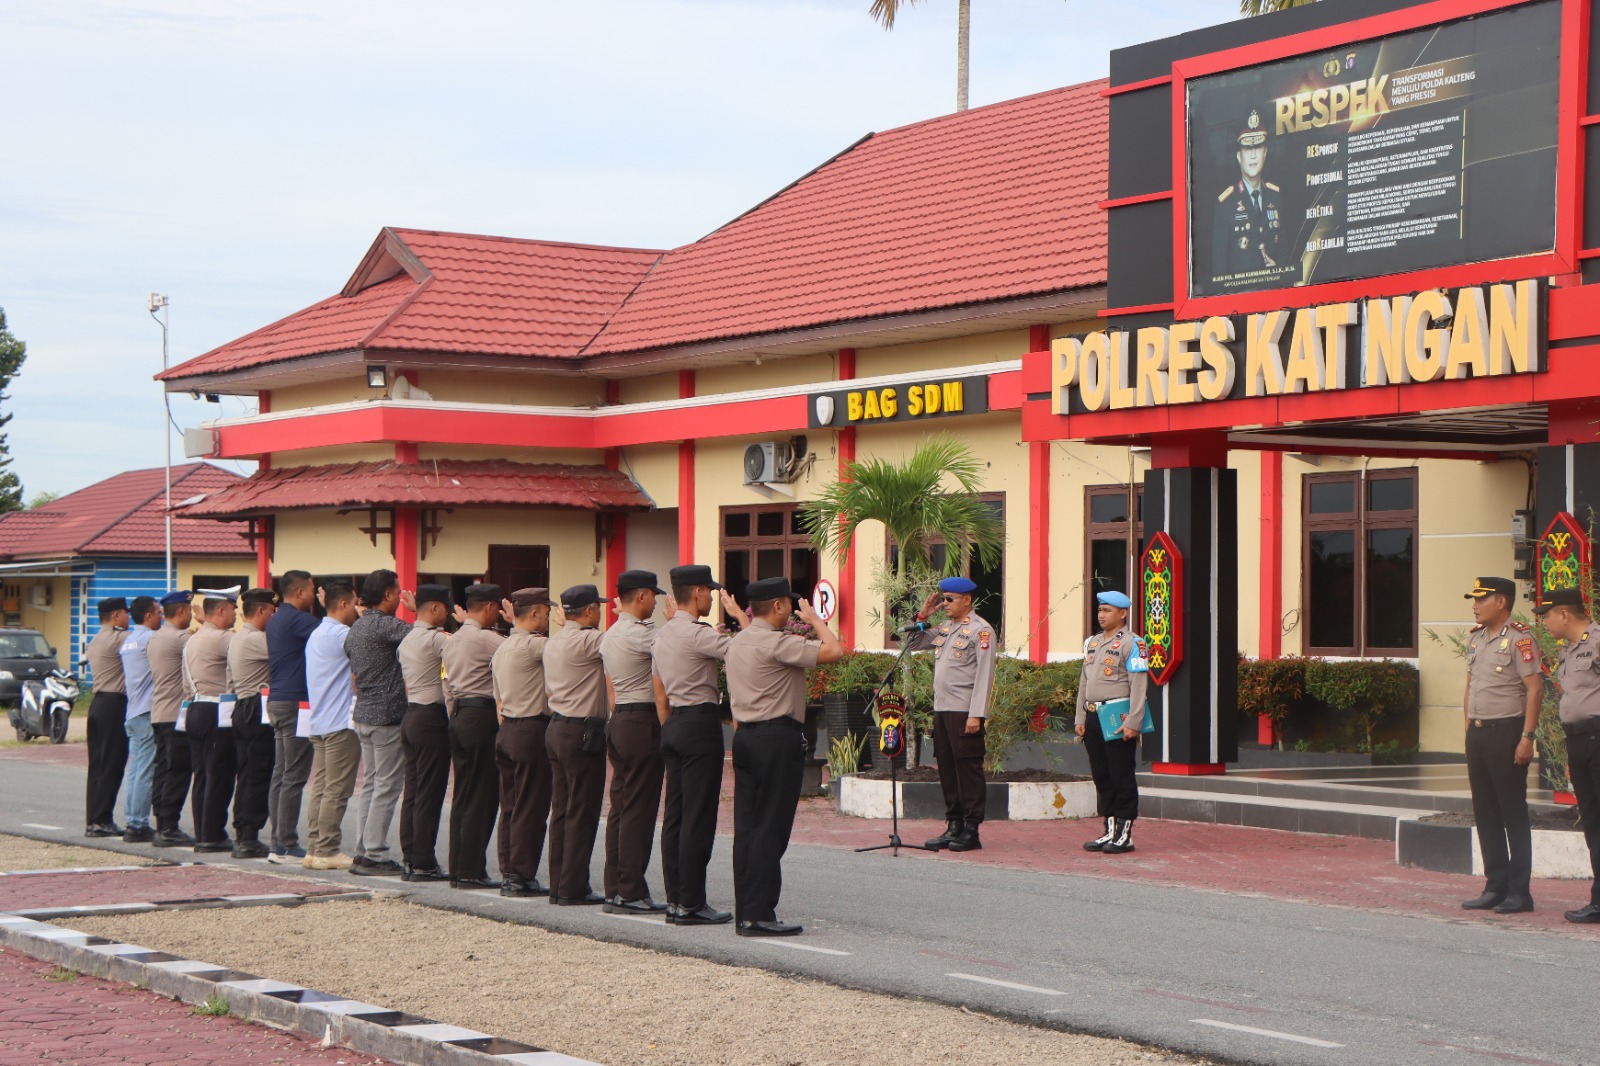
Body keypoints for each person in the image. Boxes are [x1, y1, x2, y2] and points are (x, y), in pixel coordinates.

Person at [725, 576, 844, 936]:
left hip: (744, 736)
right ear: (776, 606)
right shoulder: (779, 643)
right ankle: (758, 914)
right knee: (770, 827)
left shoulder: (738, 641)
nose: (794, 609)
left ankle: (747, 909)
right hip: (775, 738)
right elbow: (834, 652)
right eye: (789, 603)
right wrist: (817, 623)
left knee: (747, 826)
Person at [654, 564, 740, 926]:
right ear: (699, 592)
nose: (712, 598)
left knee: (674, 815)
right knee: (698, 817)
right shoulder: (697, 634)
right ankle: (691, 902)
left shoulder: (661, 635)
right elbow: (745, 650)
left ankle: (675, 898)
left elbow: (657, 687)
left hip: (673, 722)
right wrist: (740, 618)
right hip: (698, 723)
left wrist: (670, 726)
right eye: (710, 591)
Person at [1461, 576, 1542, 915]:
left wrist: (1527, 737)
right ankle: (1494, 885)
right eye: (1474, 600)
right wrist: (1467, 727)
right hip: (1478, 733)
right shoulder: (1477, 639)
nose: (1475, 606)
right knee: (1485, 811)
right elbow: (1470, 684)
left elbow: (1535, 689)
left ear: (1502, 602)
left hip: (1507, 732)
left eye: (1482, 599)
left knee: (1512, 812)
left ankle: (1519, 891)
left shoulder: (1521, 639)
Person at [909, 576, 998, 853]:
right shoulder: (946, 627)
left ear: (966, 600)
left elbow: (984, 676)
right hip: (943, 709)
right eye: (943, 599)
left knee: (968, 770)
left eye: (949, 599)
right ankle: (954, 825)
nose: (944, 604)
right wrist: (923, 615)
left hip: (964, 712)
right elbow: (913, 644)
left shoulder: (981, 631)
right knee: (947, 769)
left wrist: (977, 715)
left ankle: (971, 829)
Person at [600, 569, 669, 914]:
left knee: (621, 807)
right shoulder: (645, 636)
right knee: (639, 811)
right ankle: (631, 890)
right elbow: (673, 649)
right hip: (642, 720)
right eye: (653, 595)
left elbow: (611, 687)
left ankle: (615, 887)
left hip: (620, 718)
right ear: (641, 596)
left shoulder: (610, 634)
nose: (656, 602)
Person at [1534, 587, 1600, 923]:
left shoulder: (1598, 641)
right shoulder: (1570, 650)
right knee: (1592, 822)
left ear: (1563, 614)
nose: (1543, 622)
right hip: (1578, 742)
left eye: (1546, 615)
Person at [345, 569, 413, 877]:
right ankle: (374, 851)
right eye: (397, 591)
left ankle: (363, 849)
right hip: (386, 715)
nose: (400, 597)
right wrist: (417, 612)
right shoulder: (387, 626)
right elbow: (425, 639)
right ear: (387, 594)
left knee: (371, 784)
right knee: (387, 786)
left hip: (364, 713)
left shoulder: (357, 627)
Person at [544, 584, 609, 906]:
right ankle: (573, 887)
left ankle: (559, 884)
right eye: (598, 607)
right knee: (582, 811)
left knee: (562, 810)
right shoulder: (589, 639)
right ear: (588, 611)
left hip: (557, 727)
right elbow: (625, 642)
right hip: (581, 731)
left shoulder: (554, 641)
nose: (601, 612)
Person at [1074, 590, 1151, 855]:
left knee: (1121, 775)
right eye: (1100, 610)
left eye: (1107, 610)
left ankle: (1124, 834)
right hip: (1094, 716)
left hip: (1117, 718)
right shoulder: (1093, 642)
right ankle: (1109, 829)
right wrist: (1080, 717)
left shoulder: (1134, 643)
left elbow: (1138, 685)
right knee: (1102, 776)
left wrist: (1133, 721)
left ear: (1123, 613)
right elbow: (1084, 681)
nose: (1102, 615)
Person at [441, 582, 506, 889]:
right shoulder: (487, 639)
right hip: (481, 716)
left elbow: (446, 685)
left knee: (463, 795)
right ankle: (471, 871)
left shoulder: (451, 640)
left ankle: (458, 868)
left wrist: (455, 713)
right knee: (482, 796)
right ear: (490, 607)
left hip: (459, 716)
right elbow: (517, 654)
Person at [492, 587, 554, 897]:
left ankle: (509, 872)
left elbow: (498, 699)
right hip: (530, 729)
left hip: (507, 729)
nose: (549, 617)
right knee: (531, 806)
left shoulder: (502, 648)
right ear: (534, 613)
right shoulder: (534, 645)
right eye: (547, 611)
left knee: (511, 806)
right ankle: (522, 875)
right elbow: (567, 652)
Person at [303, 581, 361, 871]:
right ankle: (327, 850)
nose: (356, 610)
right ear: (342, 605)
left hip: (320, 720)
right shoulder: (343, 634)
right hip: (340, 722)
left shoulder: (317, 633)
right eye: (354, 605)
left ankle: (315, 848)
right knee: (337, 790)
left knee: (322, 789)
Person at [397, 583, 453, 882]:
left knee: (414, 792)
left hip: (412, 715)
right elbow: (461, 654)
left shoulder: (407, 639)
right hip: (431, 718)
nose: (448, 613)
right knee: (430, 793)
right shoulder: (437, 640)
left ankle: (410, 857)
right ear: (435, 608)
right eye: (445, 607)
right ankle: (424, 862)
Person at [264, 570, 318, 864]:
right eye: (312, 590)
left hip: (278, 700)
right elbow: (332, 633)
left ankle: (277, 840)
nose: (314, 595)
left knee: (281, 772)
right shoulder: (300, 620)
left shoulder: (276, 618)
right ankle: (285, 842)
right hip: (296, 703)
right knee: (294, 774)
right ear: (300, 592)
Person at [182, 589, 237, 852]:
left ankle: (203, 831)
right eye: (232, 609)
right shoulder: (224, 638)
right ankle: (213, 834)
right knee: (220, 775)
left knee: (202, 775)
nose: (236, 614)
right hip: (217, 710)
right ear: (221, 611)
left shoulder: (192, 639)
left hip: (195, 708)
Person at [226, 588, 277, 858]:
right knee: (257, 774)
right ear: (260, 611)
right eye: (271, 611)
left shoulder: (238, 637)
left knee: (247, 774)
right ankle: (248, 837)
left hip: (243, 707)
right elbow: (288, 652)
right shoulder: (257, 639)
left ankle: (244, 833)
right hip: (256, 708)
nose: (274, 615)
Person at [147, 591, 196, 847]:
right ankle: (169, 826)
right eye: (189, 610)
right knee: (177, 771)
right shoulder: (181, 638)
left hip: (159, 711)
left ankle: (161, 823)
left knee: (163, 769)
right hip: (176, 713)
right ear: (181, 612)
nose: (190, 615)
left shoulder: (156, 637)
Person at [1211, 109, 1283, 281]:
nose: (1252, 155)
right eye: (1247, 149)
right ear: (1238, 156)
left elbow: (1285, 249)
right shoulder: (1225, 204)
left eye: (1258, 147)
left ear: (1265, 153)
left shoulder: (1275, 197)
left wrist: (1278, 269)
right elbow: (1219, 269)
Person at [84, 597, 131, 837]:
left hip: (97, 704)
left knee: (98, 765)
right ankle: (102, 820)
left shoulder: (96, 639)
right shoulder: (120, 638)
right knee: (112, 764)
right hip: (114, 704)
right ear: (115, 616)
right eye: (126, 613)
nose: (129, 617)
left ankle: (94, 819)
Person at [119, 597, 161, 843]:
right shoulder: (150, 639)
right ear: (148, 616)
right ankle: (138, 824)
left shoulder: (128, 641)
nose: (161, 617)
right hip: (146, 711)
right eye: (158, 613)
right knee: (144, 771)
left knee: (135, 771)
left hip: (133, 710)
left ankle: (133, 820)